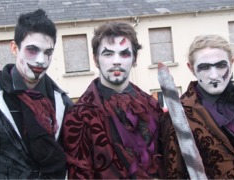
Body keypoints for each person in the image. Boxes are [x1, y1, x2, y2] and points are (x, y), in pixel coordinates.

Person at [62, 21, 165, 179]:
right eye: (108, 54)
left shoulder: (152, 106)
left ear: (134, 59)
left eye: (124, 53)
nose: (116, 61)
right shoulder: (79, 115)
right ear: (96, 59)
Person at [0, 9, 73, 179]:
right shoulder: (0, 97)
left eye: (48, 52)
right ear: (14, 48)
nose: (41, 60)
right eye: (32, 50)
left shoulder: (63, 104)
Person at [161, 34, 234, 179]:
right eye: (205, 67)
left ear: (231, 62)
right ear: (191, 68)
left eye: (221, 65)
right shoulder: (178, 117)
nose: (214, 75)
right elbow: (174, 173)